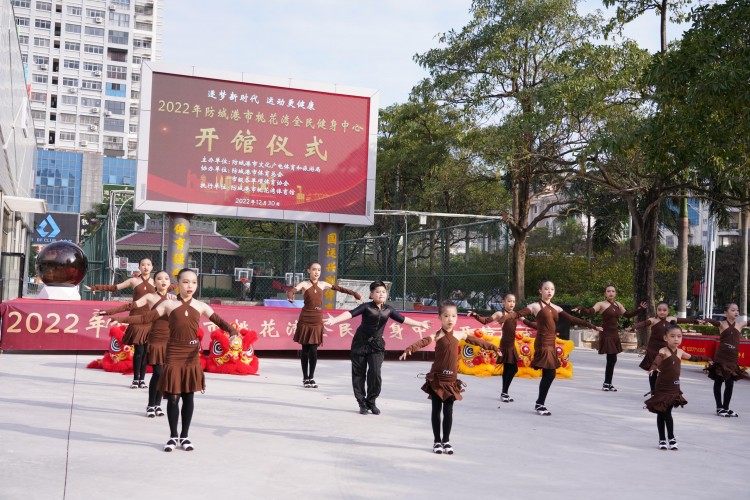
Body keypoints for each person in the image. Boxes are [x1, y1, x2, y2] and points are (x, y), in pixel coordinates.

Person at [109, 268, 239, 452]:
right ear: (177, 285)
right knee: (173, 398)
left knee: (188, 396)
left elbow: (221, 322)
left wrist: (234, 333)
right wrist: (120, 320)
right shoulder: (168, 305)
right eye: (185, 282)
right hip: (173, 353)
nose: (190, 286)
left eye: (194, 282)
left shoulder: (200, 306)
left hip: (191, 355)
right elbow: (146, 317)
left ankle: (185, 436)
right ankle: (172, 436)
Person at [400, 300, 501, 454]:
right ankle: (436, 442)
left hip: (451, 380)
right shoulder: (437, 335)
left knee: (448, 411)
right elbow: (423, 342)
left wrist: (493, 347)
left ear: (456, 318)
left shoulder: (460, 334)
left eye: (453, 316)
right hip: (437, 379)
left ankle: (446, 441)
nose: (450, 319)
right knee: (436, 410)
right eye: (446, 316)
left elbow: (477, 341)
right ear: (440, 318)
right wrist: (409, 349)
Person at [496, 280, 601, 415]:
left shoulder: (557, 308)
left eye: (552, 289)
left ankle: (540, 403)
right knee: (550, 373)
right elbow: (518, 314)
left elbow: (573, 319)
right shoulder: (535, 306)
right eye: (546, 289)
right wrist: (506, 317)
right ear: (540, 291)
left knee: (550, 374)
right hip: (542, 343)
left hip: (551, 343)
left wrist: (592, 326)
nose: (549, 291)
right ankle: (540, 404)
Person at [325, 281, 430, 415]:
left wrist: (420, 324)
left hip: (377, 344)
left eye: (383, 292)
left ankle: (371, 401)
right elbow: (350, 313)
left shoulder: (389, 309)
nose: (381, 294)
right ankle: (362, 403)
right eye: (378, 292)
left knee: (375, 373)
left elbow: (403, 319)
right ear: (371, 294)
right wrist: (335, 320)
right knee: (359, 374)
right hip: (360, 343)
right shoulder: (366, 307)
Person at [96, 270, 174, 418]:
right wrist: (109, 312)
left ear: (170, 283)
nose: (163, 281)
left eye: (166, 278)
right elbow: (129, 307)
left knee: (163, 374)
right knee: (157, 372)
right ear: (154, 282)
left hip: (169, 340)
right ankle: (151, 405)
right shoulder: (150, 297)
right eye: (159, 278)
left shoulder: (173, 299)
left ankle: (158, 405)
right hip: (155, 338)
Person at [287, 261, 361, 388]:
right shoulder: (304, 284)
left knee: (314, 350)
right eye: (314, 269)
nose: (316, 272)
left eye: (319, 270)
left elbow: (339, 288)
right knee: (305, 350)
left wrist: (354, 293)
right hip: (305, 318)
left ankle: (312, 377)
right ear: (309, 270)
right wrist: (290, 296)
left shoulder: (323, 284)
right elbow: (292, 291)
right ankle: (305, 378)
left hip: (317, 318)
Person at [86, 257, 156, 389]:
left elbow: (171, 288)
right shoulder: (133, 281)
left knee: (146, 351)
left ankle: (142, 380)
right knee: (139, 351)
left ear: (152, 267)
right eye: (143, 264)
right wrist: (96, 287)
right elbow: (114, 287)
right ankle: (136, 379)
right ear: (139, 267)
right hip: (136, 319)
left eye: (148, 264)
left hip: (150, 320)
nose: (145, 267)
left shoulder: (156, 282)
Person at [645, 324, 712, 450]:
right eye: (673, 336)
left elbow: (693, 357)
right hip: (662, 387)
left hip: (674, 388)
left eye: (679, 336)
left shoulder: (680, 352)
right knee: (662, 413)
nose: (676, 339)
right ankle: (663, 439)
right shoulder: (663, 351)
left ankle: (671, 437)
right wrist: (653, 368)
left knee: (667, 413)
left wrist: (706, 358)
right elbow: (658, 359)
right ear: (665, 338)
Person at [572, 286, 647, 391]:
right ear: (605, 293)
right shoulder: (601, 304)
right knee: (611, 358)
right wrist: (581, 308)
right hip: (606, 333)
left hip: (614, 333)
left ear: (615, 293)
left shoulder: (618, 304)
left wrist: (639, 309)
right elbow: (590, 311)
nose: (611, 293)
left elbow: (628, 315)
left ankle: (608, 383)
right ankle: (606, 383)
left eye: (613, 291)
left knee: (613, 359)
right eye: (608, 291)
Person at [628, 302, 699, 396]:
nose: (662, 312)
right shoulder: (653, 320)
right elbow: (643, 324)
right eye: (659, 310)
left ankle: (662, 390)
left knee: (665, 370)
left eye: (664, 310)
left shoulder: (671, 319)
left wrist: (696, 321)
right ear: (656, 311)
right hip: (653, 349)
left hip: (666, 349)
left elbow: (683, 320)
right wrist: (633, 327)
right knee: (653, 371)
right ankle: (653, 391)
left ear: (668, 311)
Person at [467, 292, 524, 403]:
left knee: (511, 369)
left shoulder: (516, 314)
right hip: (505, 345)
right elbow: (485, 321)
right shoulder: (500, 313)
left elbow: (528, 322)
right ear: (503, 302)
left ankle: (504, 392)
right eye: (509, 301)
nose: (511, 303)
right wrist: (475, 315)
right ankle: (504, 393)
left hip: (512, 346)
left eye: (513, 301)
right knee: (511, 369)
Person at [699, 303, 749, 417]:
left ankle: (726, 408)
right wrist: (704, 319)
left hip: (732, 359)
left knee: (730, 384)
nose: (736, 312)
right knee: (719, 382)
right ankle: (719, 407)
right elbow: (712, 321)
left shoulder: (740, 324)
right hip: (721, 358)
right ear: (726, 313)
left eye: (737, 310)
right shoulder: (722, 324)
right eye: (733, 310)